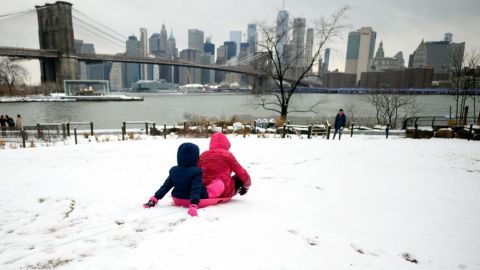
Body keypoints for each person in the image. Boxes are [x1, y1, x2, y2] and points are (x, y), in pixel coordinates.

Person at [143, 142, 225, 217]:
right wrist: (193, 204)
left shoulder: (174, 170)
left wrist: (155, 198)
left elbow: (166, 186)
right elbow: (195, 189)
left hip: (177, 199)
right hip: (193, 201)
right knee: (219, 183)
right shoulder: (196, 171)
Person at [199, 132, 251, 198]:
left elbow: (196, 170)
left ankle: (210, 192)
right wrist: (247, 185)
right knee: (240, 177)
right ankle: (241, 190)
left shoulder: (203, 154)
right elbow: (241, 172)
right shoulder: (228, 155)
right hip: (225, 190)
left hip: (206, 188)